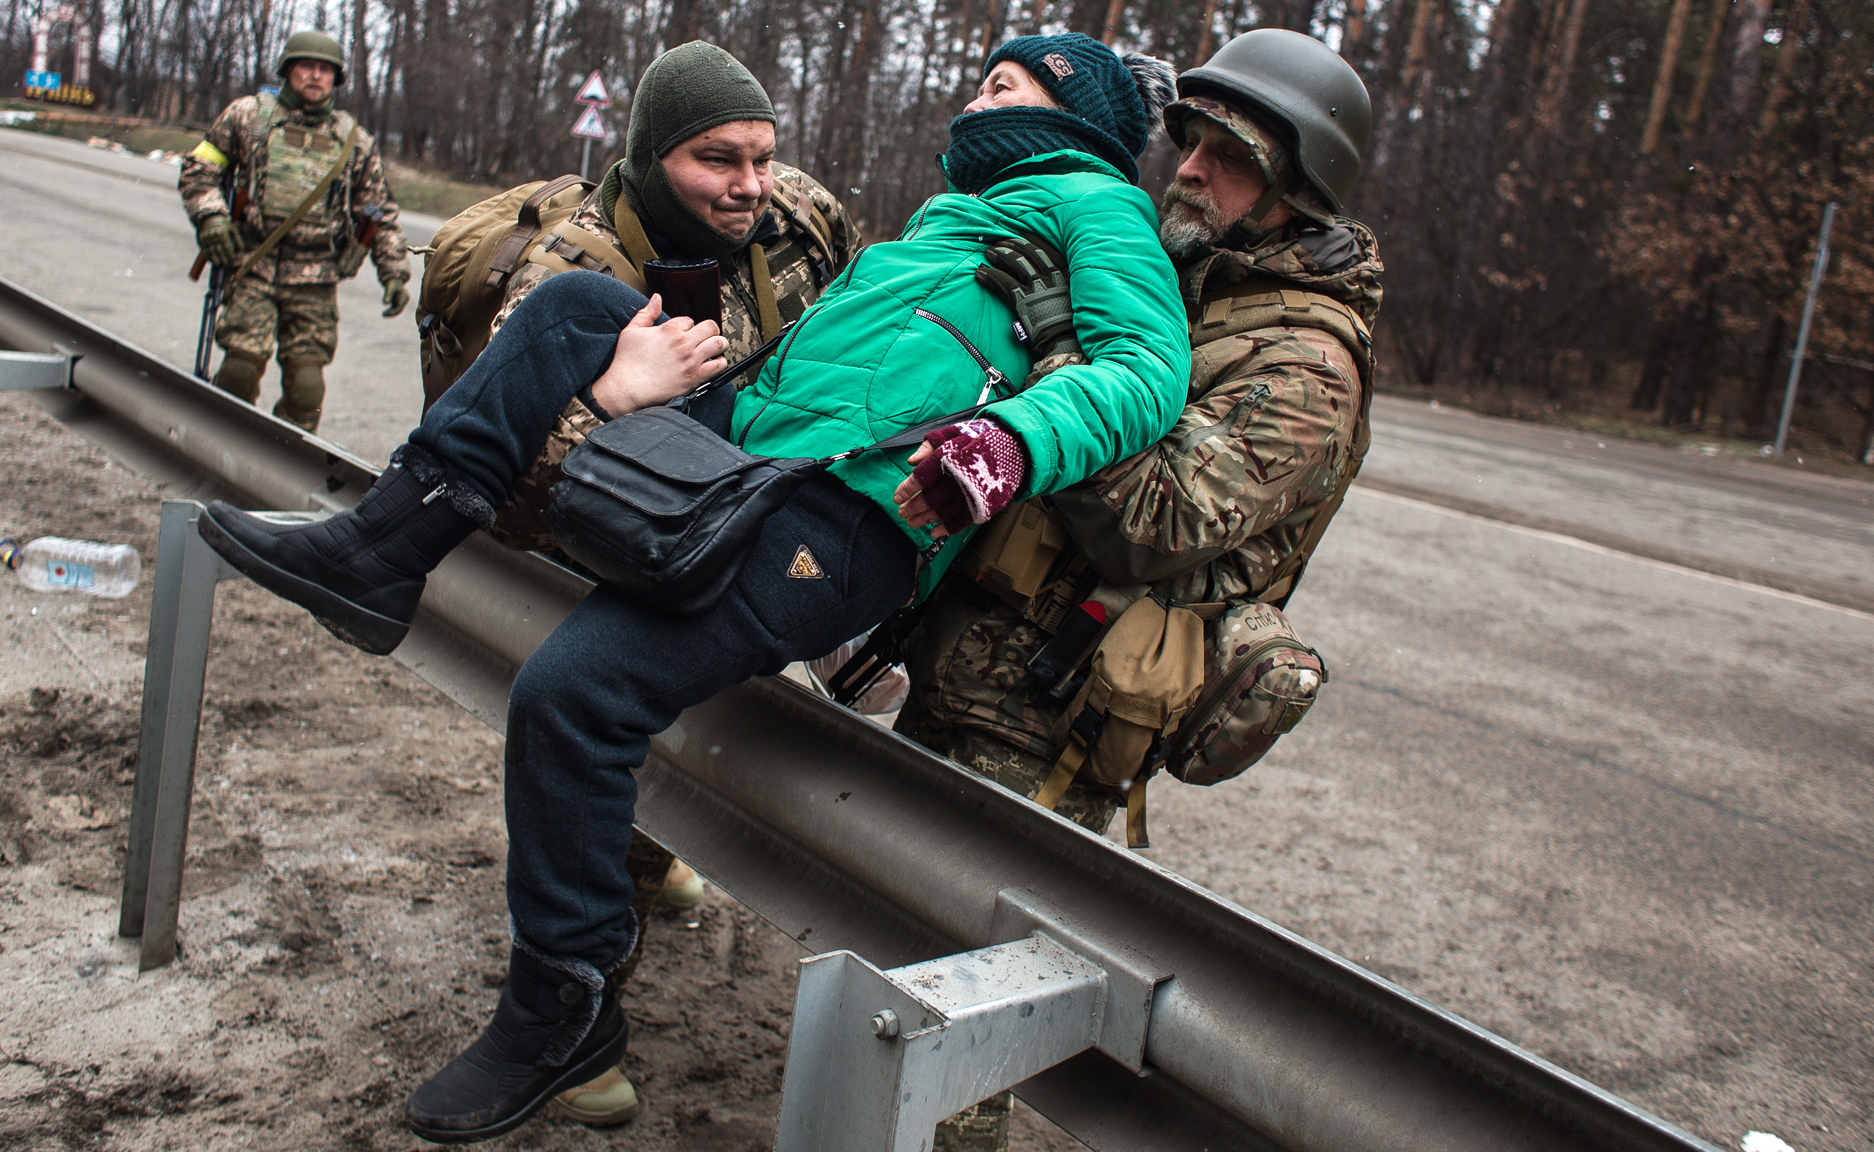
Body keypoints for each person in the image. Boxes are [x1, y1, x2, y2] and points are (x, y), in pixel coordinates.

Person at [196, 32, 1186, 1144]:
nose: (973, 101)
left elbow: (1145, 370)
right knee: (572, 308)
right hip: (759, 460)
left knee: (573, 694)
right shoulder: (959, 216)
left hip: (850, 513)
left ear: (1074, 116)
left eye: (1001, 86)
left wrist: (999, 447)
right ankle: (380, 552)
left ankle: (559, 1010)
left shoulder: (1095, 204)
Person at [895, 32, 1381, 1148]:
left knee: (960, 1015)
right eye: (1191, 142)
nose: (1190, 170)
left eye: (1230, 157)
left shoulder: (1304, 367)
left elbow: (1156, 524)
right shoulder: (1174, 274)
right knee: (895, 954)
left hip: (1053, 714)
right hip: (968, 659)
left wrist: (1067, 347)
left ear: (1296, 195)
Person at [467, 41, 859, 1129]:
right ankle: (577, 1034)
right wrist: (616, 403)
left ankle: (648, 852)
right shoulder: (577, 267)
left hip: (749, 525)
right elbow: (514, 466)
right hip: (615, 537)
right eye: (713, 160)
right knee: (588, 723)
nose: (746, 186)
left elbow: (870, 320)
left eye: (762, 157)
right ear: (648, 159)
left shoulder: (800, 220)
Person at [180, 29, 411, 433]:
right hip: (253, 264)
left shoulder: (354, 141)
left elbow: (380, 213)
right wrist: (212, 218)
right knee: (238, 373)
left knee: (306, 389)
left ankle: (282, 467)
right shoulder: (248, 117)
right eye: (306, 66)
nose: (315, 76)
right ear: (288, 70)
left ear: (335, 79)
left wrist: (393, 274)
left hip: (316, 278)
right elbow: (200, 169)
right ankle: (222, 451)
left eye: (325, 70)